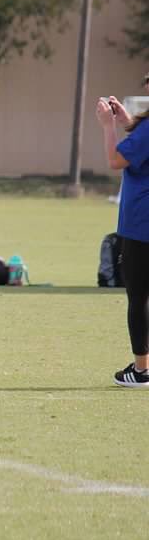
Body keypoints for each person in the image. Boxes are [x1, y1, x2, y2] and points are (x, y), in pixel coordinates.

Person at [96, 94, 149, 387]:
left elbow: (116, 160)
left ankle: (142, 370)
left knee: (139, 296)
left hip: (142, 224)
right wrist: (127, 123)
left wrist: (107, 126)